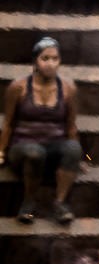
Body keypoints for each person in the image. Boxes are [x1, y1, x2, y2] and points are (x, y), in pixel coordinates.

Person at [0, 36, 82, 224]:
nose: (50, 64)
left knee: (73, 149)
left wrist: (75, 156)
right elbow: (8, 123)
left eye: (55, 59)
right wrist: (1, 152)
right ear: (35, 61)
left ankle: (60, 204)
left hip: (54, 146)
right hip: (22, 147)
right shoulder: (18, 87)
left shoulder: (68, 89)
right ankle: (28, 202)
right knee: (35, 152)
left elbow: (71, 125)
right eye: (45, 59)